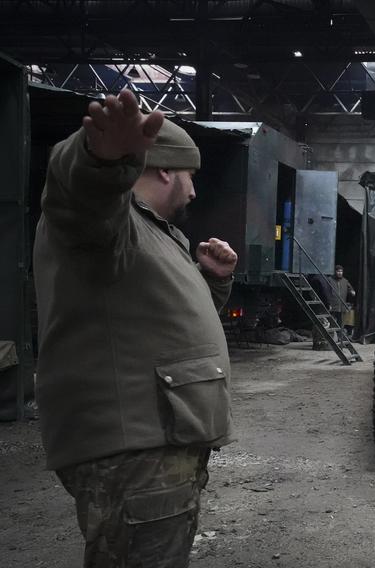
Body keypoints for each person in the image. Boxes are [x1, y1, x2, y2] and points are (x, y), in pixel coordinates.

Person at [33, 89, 238, 568]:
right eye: (191, 175)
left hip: (157, 442)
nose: (194, 190)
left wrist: (212, 280)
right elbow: (76, 192)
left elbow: (163, 324)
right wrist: (99, 158)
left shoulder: (152, 232)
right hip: (136, 452)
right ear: (165, 168)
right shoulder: (105, 221)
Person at [330, 265, 355, 340]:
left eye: (341, 271)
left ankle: (340, 338)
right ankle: (332, 337)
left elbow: (350, 288)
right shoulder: (330, 280)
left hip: (341, 306)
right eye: (338, 271)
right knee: (331, 322)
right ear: (335, 272)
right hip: (333, 305)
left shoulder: (345, 281)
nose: (340, 273)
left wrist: (352, 291)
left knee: (341, 323)